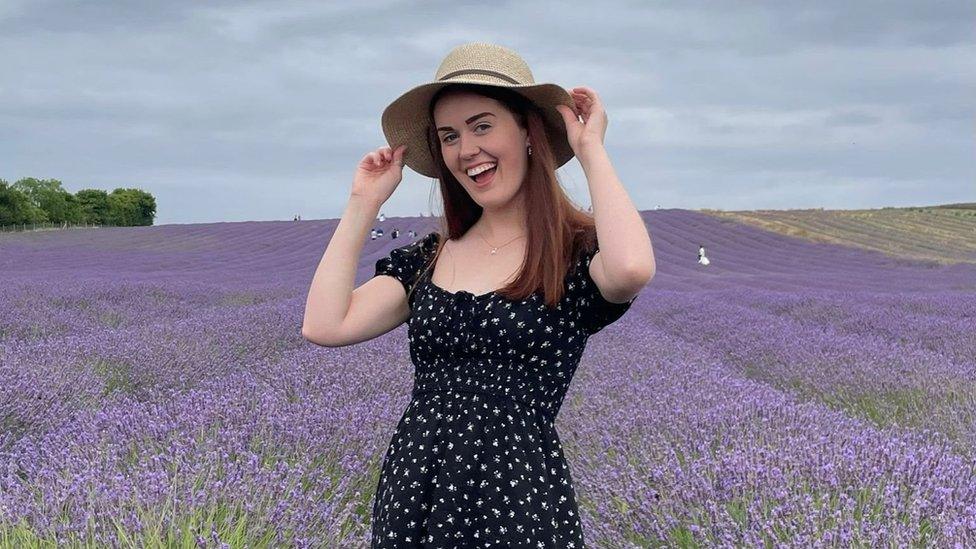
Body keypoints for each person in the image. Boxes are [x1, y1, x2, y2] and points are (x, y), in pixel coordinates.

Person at [301, 42, 655, 548]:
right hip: (413, 494)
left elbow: (632, 268)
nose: (466, 150)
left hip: (516, 501)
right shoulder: (427, 261)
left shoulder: (571, 255)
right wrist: (363, 203)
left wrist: (590, 151)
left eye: (482, 126)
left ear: (528, 133)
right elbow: (324, 324)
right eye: (450, 136)